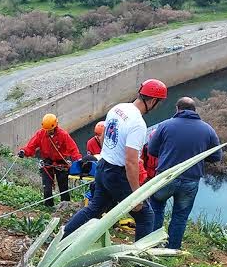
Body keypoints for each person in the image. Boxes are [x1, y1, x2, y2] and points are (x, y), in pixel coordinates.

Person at [62, 79, 168, 238]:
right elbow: (131, 162)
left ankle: (64, 238)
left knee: (94, 208)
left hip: (103, 166)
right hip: (118, 174)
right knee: (145, 216)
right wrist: (136, 195)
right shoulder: (138, 124)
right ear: (153, 101)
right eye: (158, 103)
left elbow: (104, 136)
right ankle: (139, 260)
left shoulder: (118, 108)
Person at [147, 97, 222, 250]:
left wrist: (167, 153)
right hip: (190, 180)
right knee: (180, 216)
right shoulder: (207, 129)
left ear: (177, 109)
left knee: (156, 207)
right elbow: (216, 157)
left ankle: (152, 245)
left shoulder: (165, 125)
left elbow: (151, 150)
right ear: (195, 110)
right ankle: (172, 249)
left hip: (165, 177)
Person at [18, 113, 82, 208]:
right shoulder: (41, 134)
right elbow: (31, 146)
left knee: (63, 189)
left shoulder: (63, 135)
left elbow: (73, 149)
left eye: (50, 130)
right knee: (47, 190)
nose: (48, 132)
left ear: (55, 126)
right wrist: (24, 151)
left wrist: (78, 160)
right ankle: (48, 208)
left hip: (61, 164)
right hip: (47, 163)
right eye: (47, 130)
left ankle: (66, 207)